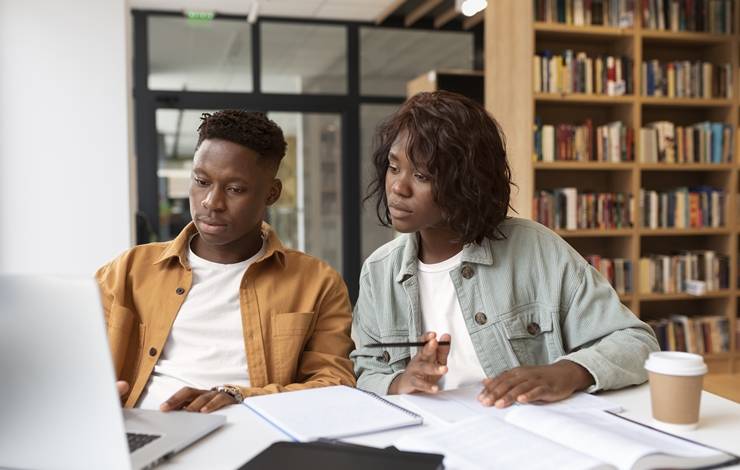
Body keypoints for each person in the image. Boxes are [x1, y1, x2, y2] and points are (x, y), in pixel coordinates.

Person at [351, 91, 659, 407]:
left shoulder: (537, 250)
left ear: (465, 182)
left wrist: (565, 373)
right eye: (393, 167)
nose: (398, 187)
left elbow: (637, 343)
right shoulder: (379, 272)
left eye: (421, 175)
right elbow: (366, 370)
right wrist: (402, 381)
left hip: (525, 434)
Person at [98, 110, 355, 413]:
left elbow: (335, 384)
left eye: (235, 189)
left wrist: (241, 396)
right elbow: (72, 362)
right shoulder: (128, 270)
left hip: (256, 432)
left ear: (271, 193)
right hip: (148, 428)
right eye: (201, 181)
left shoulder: (317, 283)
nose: (211, 202)